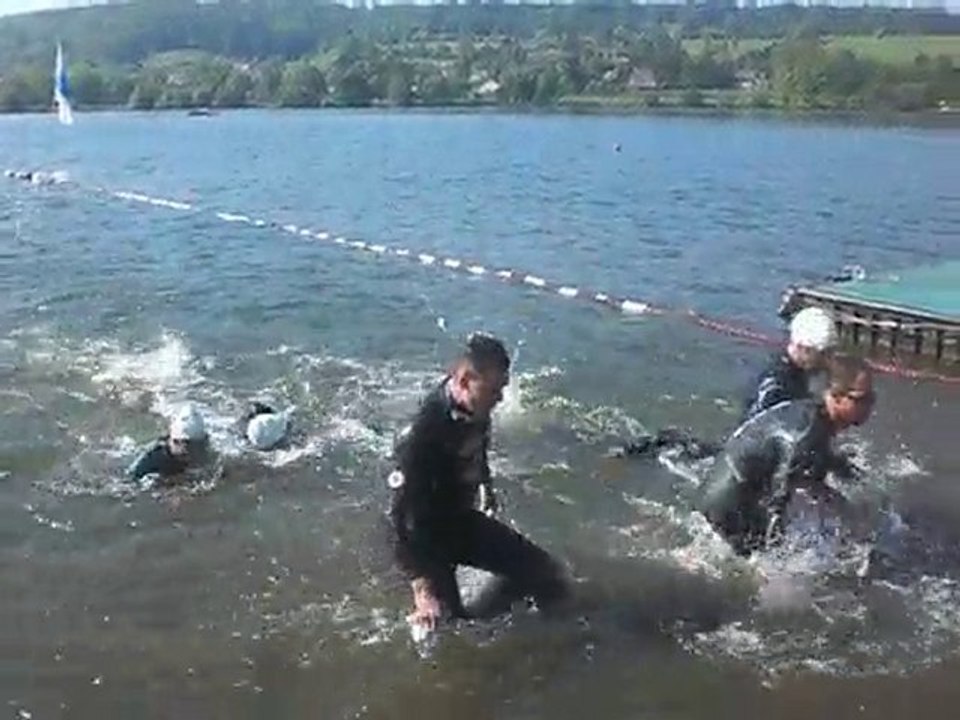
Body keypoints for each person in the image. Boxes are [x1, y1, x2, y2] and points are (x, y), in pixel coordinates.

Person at [389, 333, 568, 633]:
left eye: (502, 389)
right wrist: (423, 589)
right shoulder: (421, 434)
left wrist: (487, 489)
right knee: (447, 631)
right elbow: (399, 515)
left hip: (460, 520)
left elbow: (477, 448)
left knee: (547, 574)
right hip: (424, 536)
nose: (500, 399)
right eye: (494, 390)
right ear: (463, 380)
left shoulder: (477, 406)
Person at [700, 354, 875, 557]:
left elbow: (817, 460)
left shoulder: (814, 416)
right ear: (835, 396)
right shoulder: (807, 434)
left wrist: (844, 485)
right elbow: (778, 501)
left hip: (730, 490)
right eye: (863, 399)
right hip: (727, 509)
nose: (870, 406)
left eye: (873, 398)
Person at [741, 306, 838, 423]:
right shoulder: (774, 384)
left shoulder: (802, 370)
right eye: (823, 354)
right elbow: (752, 426)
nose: (827, 360)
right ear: (802, 348)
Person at [127, 403, 213, 483]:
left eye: (198, 445)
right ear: (176, 442)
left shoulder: (201, 448)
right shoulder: (151, 462)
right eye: (191, 446)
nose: (194, 452)